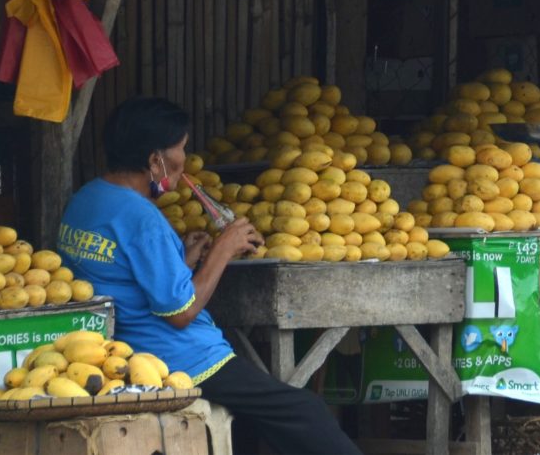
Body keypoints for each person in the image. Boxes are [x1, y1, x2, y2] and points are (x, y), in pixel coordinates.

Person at [58, 97, 361, 454]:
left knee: (251, 422)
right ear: (156, 160)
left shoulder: (87, 199)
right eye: (181, 149)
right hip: (178, 357)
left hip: (127, 347)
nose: (184, 160)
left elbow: (121, 274)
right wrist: (224, 247)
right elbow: (180, 313)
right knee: (305, 412)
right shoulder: (142, 218)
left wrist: (181, 261)